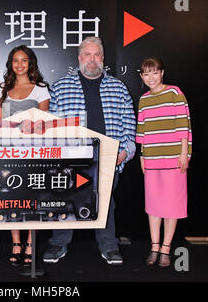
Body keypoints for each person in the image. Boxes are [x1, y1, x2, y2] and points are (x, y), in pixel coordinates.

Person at [43, 36, 136, 265]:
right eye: (87, 54)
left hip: (108, 157)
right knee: (65, 199)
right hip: (70, 158)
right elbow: (51, 123)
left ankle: (109, 246)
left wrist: (126, 150)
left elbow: (129, 121)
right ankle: (58, 243)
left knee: (105, 202)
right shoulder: (61, 86)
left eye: (96, 55)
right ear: (79, 58)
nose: (92, 59)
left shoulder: (118, 87)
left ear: (103, 59)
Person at [0, 45, 50, 266]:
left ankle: (30, 242)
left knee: (33, 199)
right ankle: (16, 242)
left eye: (24, 60)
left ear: (31, 63)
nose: (19, 64)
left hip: (34, 151)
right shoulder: (3, 88)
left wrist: (26, 128)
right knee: (10, 198)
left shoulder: (40, 89)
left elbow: (44, 122)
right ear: (11, 63)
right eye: (15, 60)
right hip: (9, 152)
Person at [136, 57, 192, 268]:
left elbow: (183, 125)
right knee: (153, 205)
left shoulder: (174, 93)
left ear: (162, 73)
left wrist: (184, 154)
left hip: (173, 158)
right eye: (145, 73)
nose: (150, 77)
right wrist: (142, 156)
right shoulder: (143, 99)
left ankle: (166, 248)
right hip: (151, 159)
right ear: (142, 76)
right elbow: (141, 130)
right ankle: (154, 245)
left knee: (172, 205)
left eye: (154, 72)